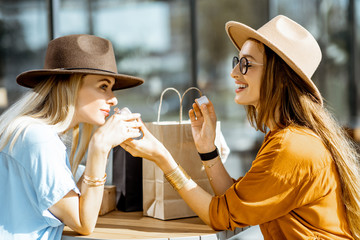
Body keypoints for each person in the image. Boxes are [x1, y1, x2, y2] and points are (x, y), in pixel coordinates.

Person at [122, 15, 360, 239]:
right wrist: (208, 149)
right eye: (238, 61)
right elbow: (235, 205)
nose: (234, 72)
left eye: (246, 64)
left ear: (279, 76)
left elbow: (221, 216)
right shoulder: (287, 137)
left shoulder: (291, 147)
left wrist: (162, 157)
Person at [0, 34, 144, 239]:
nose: (113, 99)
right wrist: (100, 147)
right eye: (103, 86)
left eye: (111, 88)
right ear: (70, 85)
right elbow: (83, 223)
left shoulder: (32, 131)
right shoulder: (38, 138)